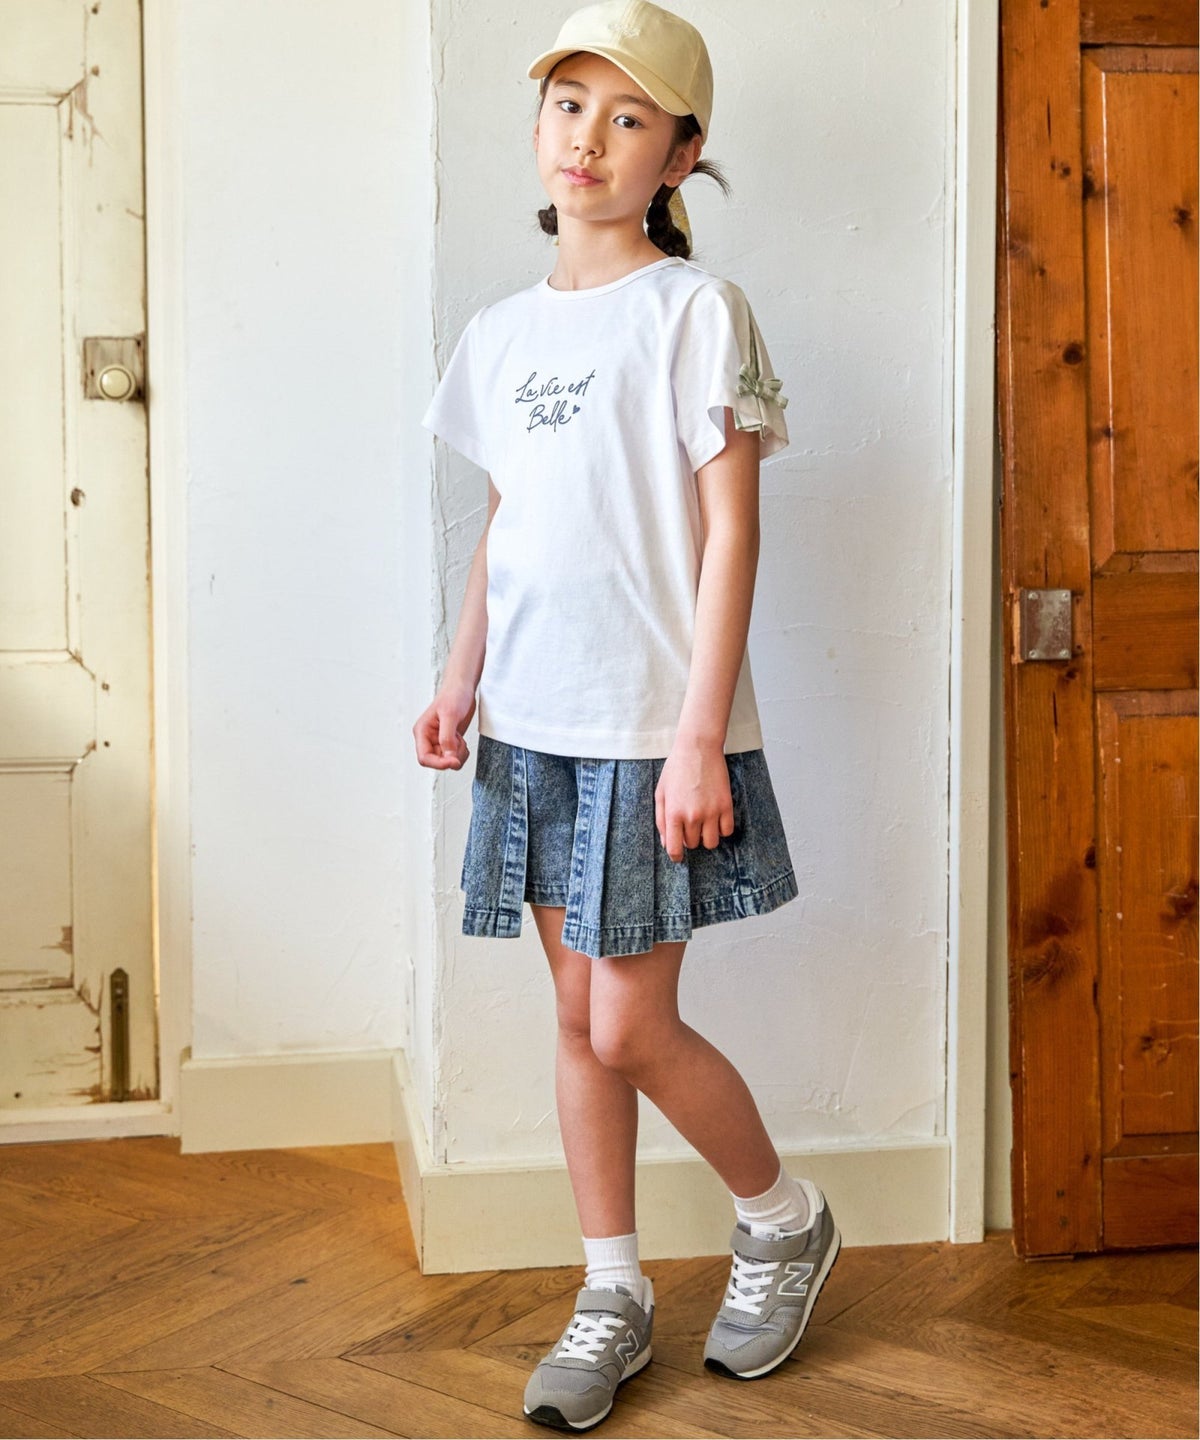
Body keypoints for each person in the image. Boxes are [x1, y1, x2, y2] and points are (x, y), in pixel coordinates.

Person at [413, 1, 840, 1429]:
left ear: (682, 154)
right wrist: (460, 676)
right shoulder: (499, 332)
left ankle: (780, 1220)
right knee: (574, 1017)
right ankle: (612, 1288)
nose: (588, 138)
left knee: (626, 1026)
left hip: (654, 730)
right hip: (531, 725)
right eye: (569, 105)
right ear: (539, 125)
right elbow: (506, 524)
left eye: (628, 116)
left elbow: (734, 535)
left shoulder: (696, 313)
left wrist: (700, 733)